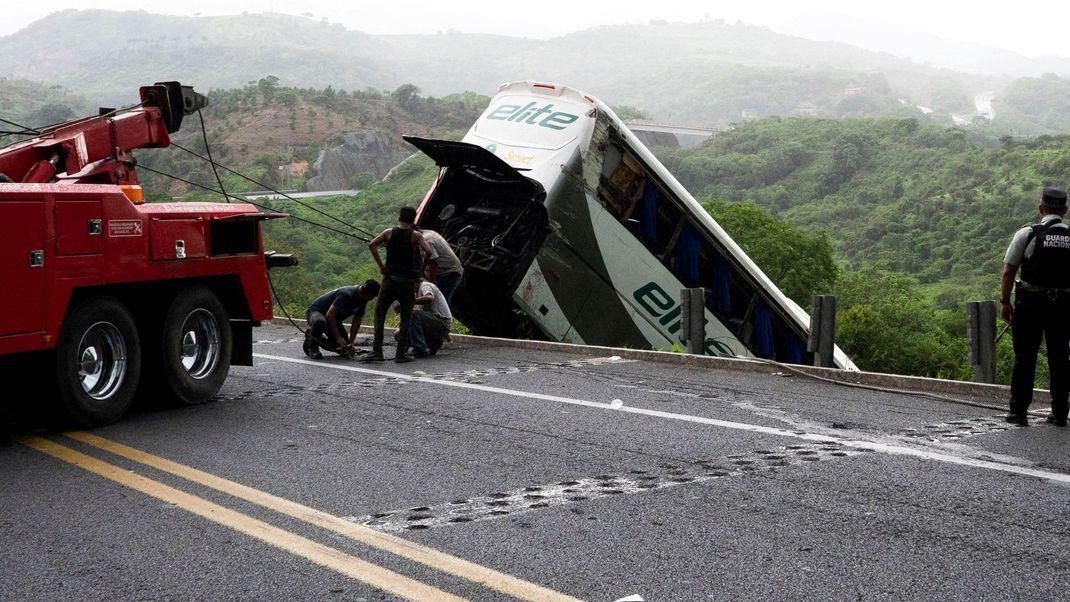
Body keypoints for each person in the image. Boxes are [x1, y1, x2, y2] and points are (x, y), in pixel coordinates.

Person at [1001, 186, 1070, 426]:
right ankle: (1060, 412)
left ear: (1041, 208)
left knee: (1025, 357)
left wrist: (1004, 302)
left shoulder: (1027, 234)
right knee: (1060, 357)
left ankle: (1018, 412)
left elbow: (1009, 271)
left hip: (1030, 304)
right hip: (1062, 306)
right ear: (1064, 210)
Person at [365, 206, 433, 363]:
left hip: (390, 279)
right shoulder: (415, 236)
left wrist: (382, 267)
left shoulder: (389, 232)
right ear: (413, 220)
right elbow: (428, 251)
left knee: (380, 314)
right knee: (406, 317)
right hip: (407, 281)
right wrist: (420, 271)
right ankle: (400, 354)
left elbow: (372, 244)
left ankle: (377, 351)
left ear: (399, 218)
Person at [303, 280, 380, 360]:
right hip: (316, 312)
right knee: (320, 322)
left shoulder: (363, 299)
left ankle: (314, 337)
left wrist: (351, 343)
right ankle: (313, 348)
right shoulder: (347, 294)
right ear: (368, 293)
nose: (372, 298)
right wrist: (338, 337)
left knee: (344, 349)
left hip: (333, 320)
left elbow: (356, 321)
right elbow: (329, 315)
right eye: (373, 296)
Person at [408, 279, 453, 358]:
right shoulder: (415, 293)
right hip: (432, 325)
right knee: (398, 334)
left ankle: (421, 349)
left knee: (413, 314)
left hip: (441, 323)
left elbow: (429, 298)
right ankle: (433, 343)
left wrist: (410, 302)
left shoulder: (425, 285)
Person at [421, 229, 464, 303]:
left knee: (437, 303)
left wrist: (430, 286)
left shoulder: (426, 240)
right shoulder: (428, 233)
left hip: (448, 273)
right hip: (448, 272)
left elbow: (433, 264)